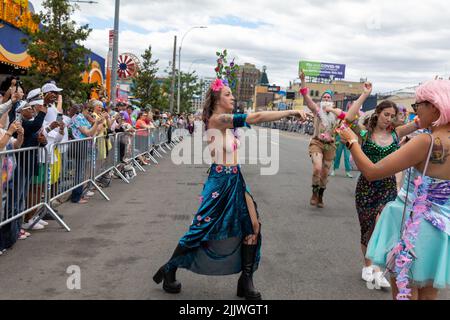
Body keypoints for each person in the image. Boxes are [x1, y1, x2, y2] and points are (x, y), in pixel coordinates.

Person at [153, 77, 306, 300]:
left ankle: (246, 281)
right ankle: (169, 269)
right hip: (219, 182)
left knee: (253, 225)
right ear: (216, 98)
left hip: (235, 179)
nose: (233, 97)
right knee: (200, 230)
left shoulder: (225, 122)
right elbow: (257, 116)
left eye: (232, 94)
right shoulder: (218, 119)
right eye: (227, 94)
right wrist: (290, 112)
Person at [338, 79, 450, 300]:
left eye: (418, 105)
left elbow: (371, 171)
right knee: (429, 294)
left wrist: (352, 142)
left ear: (434, 106)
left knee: (405, 292)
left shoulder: (425, 142)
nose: (415, 111)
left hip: (414, 228)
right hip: (442, 229)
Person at [342, 82, 421, 288]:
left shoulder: (397, 134)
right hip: (366, 187)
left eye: (392, 116)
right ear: (377, 114)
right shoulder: (365, 134)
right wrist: (364, 94)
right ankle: (367, 266)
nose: (389, 119)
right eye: (386, 114)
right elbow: (348, 120)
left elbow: (420, 123)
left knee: (380, 225)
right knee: (367, 228)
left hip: (387, 187)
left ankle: (378, 270)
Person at [299, 70, 344, 208]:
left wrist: (332, 111)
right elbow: (306, 97)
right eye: (324, 98)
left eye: (328, 98)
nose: (326, 100)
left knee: (325, 174)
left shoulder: (336, 113)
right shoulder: (317, 110)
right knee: (317, 168)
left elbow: (345, 118)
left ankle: (320, 195)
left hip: (330, 145)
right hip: (317, 142)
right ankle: (314, 192)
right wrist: (302, 80)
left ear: (332, 101)